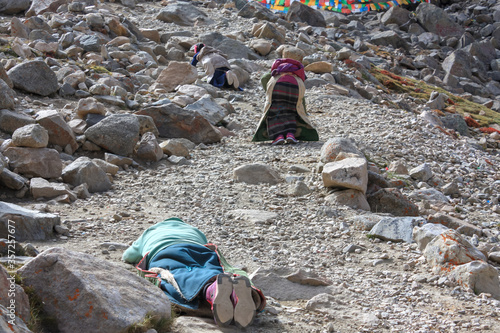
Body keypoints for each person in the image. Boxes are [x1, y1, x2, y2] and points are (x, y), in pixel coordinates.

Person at [122, 217, 266, 329]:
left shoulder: (150, 231)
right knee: (209, 270)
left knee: (178, 276)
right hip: (200, 250)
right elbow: (204, 242)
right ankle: (233, 295)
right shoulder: (194, 230)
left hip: (166, 252)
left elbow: (128, 256)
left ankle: (211, 291)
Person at [252, 58, 319, 145]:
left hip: (278, 86)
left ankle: (278, 137)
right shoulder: (298, 72)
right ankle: (290, 135)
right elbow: (301, 98)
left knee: (274, 112)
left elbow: (264, 78)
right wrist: (304, 113)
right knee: (291, 111)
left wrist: (269, 94)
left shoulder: (278, 68)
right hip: (295, 86)